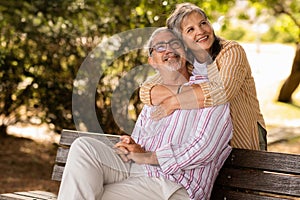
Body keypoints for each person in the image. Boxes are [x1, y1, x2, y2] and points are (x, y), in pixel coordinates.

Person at [57, 27, 233, 200]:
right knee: (84, 147)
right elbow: (140, 146)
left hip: (175, 186)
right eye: (160, 47)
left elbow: (203, 150)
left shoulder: (209, 91)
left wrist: (149, 157)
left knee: (96, 196)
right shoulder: (153, 97)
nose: (169, 50)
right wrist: (132, 146)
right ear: (152, 61)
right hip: (138, 172)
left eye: (175, 43)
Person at [140, 2, 267, 151]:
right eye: (190, 29)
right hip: (210, 144)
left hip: (243, 133)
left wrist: (174, 102)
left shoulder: (231, 51)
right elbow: (146, 90)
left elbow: (222, 91)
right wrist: (186, 92)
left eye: (203, 23)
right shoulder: (185, 60)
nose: (200, 31)